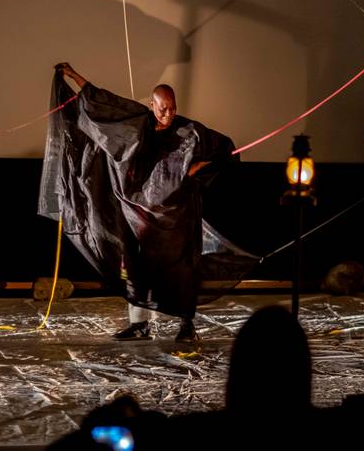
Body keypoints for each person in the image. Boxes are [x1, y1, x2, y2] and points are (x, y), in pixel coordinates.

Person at [45, 63, 237, 342]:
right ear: (152, 105)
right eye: (163, 108)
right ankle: (139, 325)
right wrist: (74, 76)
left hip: (177, 217)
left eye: (172, 107)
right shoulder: (138, 124)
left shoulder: (189, 131)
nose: (169, 114)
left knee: (180, 270)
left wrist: (196, 168)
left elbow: (226, 149)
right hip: (139, 215)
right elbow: (104, 105)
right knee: (134, 267)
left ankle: (186, 324)